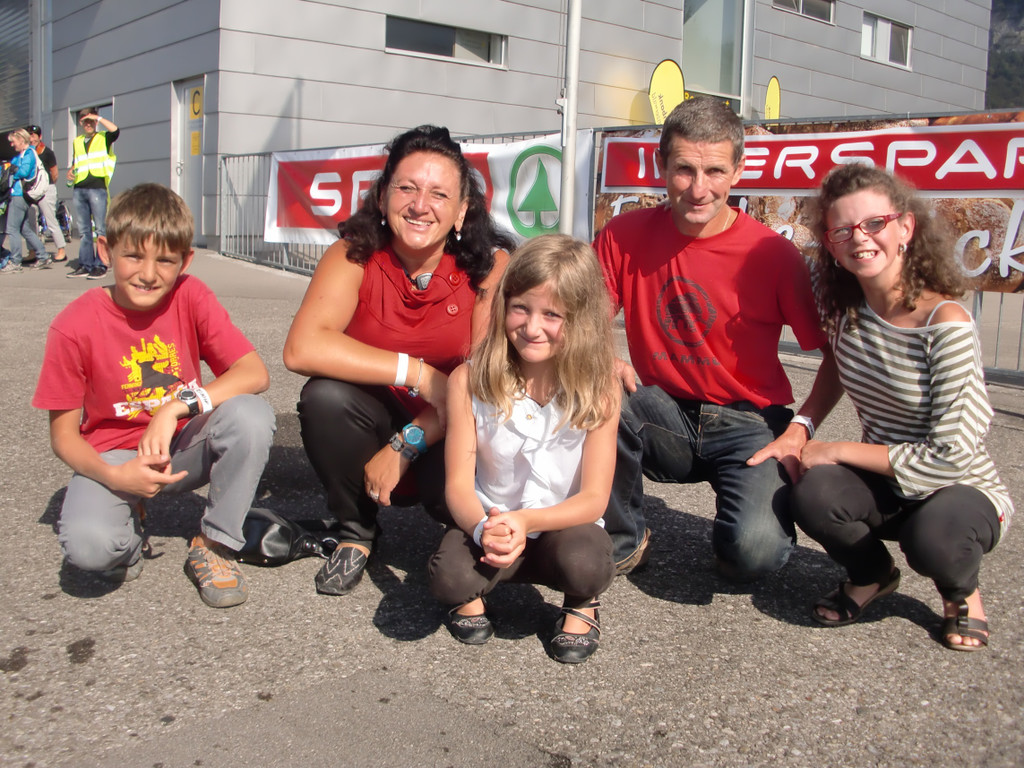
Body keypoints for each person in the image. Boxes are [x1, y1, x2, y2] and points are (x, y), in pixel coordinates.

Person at [594, 96, 843, 581]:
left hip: (750, 422)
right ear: (661, 166)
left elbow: (836, 356)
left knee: (754, 556)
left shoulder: (772, 254)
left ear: (738, 171)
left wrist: (802, 428)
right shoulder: (623, 235)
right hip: (664, 412)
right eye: (684, 170)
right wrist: (604, 357)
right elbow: (581, 317)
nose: (699, 189)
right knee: (593, 387)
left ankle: (747, 522)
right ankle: (624, 537)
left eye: (714, 171)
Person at [283, 125, 515, 597]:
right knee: (324, 397)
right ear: (383, 195)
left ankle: (462, 534)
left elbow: (485, 381)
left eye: (438, 194)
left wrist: (407, 443)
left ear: (461, 211)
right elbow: (302, 348)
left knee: (466, 493)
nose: (419, 205)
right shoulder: (352, 255)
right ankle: (356, 530)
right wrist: (420, 374)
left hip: (452, 432)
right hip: (370, 422)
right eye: (407, 188)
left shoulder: (490, 267)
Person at [790, 164, 1013, 652]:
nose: (860, 238)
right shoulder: (842, 305)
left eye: (875, 223)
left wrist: (837, 449)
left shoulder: (945, 322)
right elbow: (834, 363)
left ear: (906, 227)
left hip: (958, 485)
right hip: (888, 481)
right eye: (842, 230)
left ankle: (960, 590)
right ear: (830, 244)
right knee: (812, 493)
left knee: (933, 541)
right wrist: (800, 426)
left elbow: (949, 455)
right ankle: (872, 575)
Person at [31, 183, 276, 608]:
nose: (148, 274)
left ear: (185, 261)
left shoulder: (190, 295)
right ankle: (128, 533)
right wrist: (115, 478)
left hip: (182, 444)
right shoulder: (73, 326)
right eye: (133, 256)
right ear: (106, 251)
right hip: (114, 455)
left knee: (250, 416)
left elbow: (254, 373)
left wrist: (174, 408)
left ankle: (214, 544)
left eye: (165, 260)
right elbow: (64, 437)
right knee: (91, 550)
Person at [429, 235, 619, 664]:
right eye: (521, 308)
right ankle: (474, 590)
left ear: (582, 319)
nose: (532, 328)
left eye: (552, 314)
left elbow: (594, 498)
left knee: (587, 563)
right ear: (503, 305)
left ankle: (582, 601)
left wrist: (527, 521)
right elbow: (458, 485)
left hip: (563, 529)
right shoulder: (468, 380)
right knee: (448, 577)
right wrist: (484, 529)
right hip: (491, 525)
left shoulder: (601, 387)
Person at [66, 107, 119, 279]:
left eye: (91, 121)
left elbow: (115, 130)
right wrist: (71, 171)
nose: (88, 124)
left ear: (95, 122)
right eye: (85, 121)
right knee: (84, 230)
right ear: (81, 123)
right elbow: (77, 162)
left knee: (100, 228)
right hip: (79, 187)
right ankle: (85, 264)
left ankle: (101, 264)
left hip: (97, 187)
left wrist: (98, 117)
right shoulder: (77, 141)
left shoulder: (103, 137)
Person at [2, 129, 49, 274]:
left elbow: (23, 172)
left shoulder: (29, 153)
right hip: (18, 195)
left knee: (12, 229)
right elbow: (11, 168)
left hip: (20, 195)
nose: (11, 145)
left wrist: (12, 171)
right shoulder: (20, 156)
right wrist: (11, 169)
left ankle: (15, 262)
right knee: (24, 229)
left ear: (22, 140)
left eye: (13, 141)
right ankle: (43, 256)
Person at [27, 124, 68, 263]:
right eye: (29, 136)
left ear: (40, 136)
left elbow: (54, 173)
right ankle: (32, 251)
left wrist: (48, 186)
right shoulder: (28, 153)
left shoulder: (47, 152)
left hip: (46, 189)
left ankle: (61, 250)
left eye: (34, 136)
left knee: (51, 220)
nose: (32, 139)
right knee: (31, 221)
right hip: (32, 190)